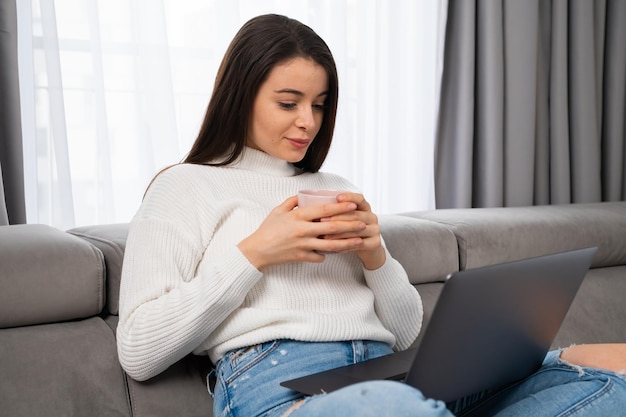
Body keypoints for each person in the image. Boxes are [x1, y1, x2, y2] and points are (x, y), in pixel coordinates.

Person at [117, 13, 626, 417]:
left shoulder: (335, 189)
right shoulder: (184, 186)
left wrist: (376, 256)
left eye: (319, 104)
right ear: (240, 95)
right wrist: (255, 253)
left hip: (396, 377)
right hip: (282, 391)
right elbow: (139, 350)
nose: (308, 122)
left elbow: (405, 334)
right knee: (390, 406)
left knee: (613, 380)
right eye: (288, 102)